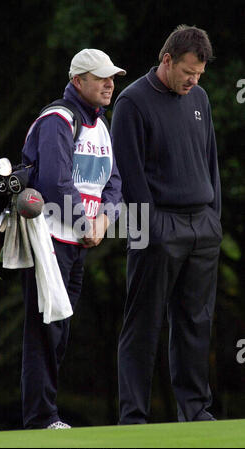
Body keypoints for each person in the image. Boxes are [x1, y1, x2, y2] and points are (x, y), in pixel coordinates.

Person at [111, 25, 222, 424]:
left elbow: (210, 161)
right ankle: (133, 418)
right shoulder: (132, 102)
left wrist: (214, 218)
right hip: (154, 227)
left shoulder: (201, 99)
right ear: (168, 59)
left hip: (201, 228)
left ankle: (195, 411)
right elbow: (129, 174)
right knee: (143, 324)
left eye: (199, 75)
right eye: (188, 72)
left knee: (195, 322)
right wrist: (151, 229)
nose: (194, 81)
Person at [21, 49, 126, 429]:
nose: (109, 83)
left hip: (78, 243)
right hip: (48, 241)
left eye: (111, 76)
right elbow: (54, 182)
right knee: (45, 331)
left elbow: (114, 184)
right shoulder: (56, 119)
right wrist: (87, 225)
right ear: (78, 81)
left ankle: (45, 415)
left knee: (60, 330)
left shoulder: (101, 125)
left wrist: (104, 222)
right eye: (100, 77)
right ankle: (40, 419)